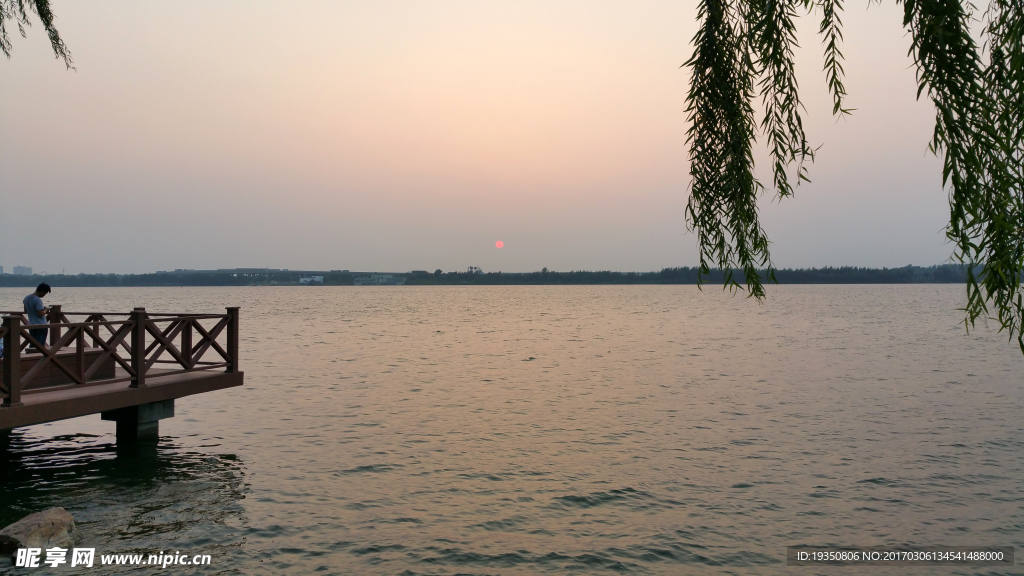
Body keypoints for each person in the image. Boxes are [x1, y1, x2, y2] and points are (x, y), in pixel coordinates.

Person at [23, 283, 51, 351]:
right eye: (45, 293)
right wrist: (46, 309)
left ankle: (30, 357)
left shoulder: (26, 298)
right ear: (42, 291)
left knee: (32, 343)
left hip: (31, 324)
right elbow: (40, 313)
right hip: (41, 325)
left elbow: (25, 310)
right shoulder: (38, 300)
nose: (44, 295)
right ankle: (38, 358)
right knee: (40, 345)